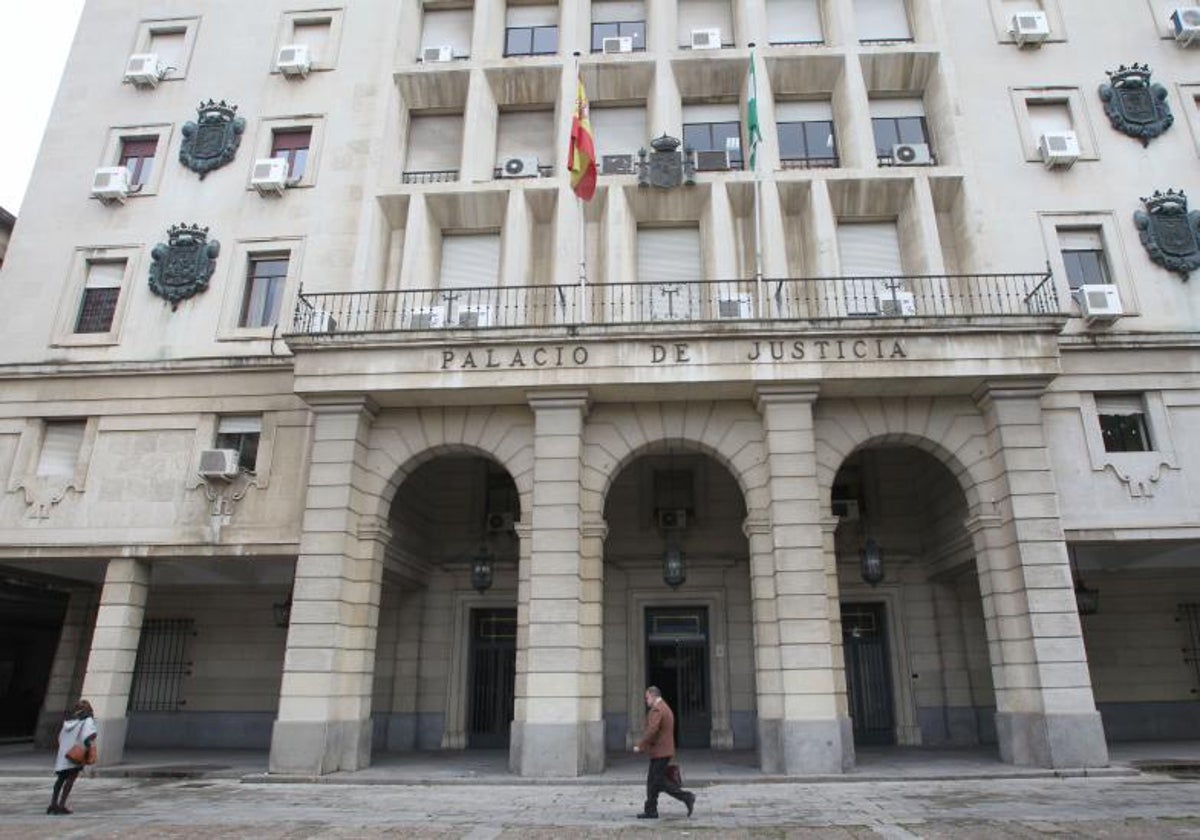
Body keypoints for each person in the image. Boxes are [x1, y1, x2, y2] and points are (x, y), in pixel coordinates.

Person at [632, 685, 696, 819]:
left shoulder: (658, 709)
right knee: (653, 781)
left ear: (653, 696)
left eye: (647, 697)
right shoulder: (664, 707)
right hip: (662, 751)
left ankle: (687, 797)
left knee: (658, 781)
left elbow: (652, 730)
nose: (646, 700)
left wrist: (640, 745)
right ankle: (651, 810)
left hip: (660, 751)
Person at [48, 700, 97, 815]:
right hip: (76, 753)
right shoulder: (87, 720)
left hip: (64, 753)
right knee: (70, 779)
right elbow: (89, 735)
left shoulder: (69, 720)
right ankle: (62, 805)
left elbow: (60, 737)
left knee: (60, 779)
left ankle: (53, 804)